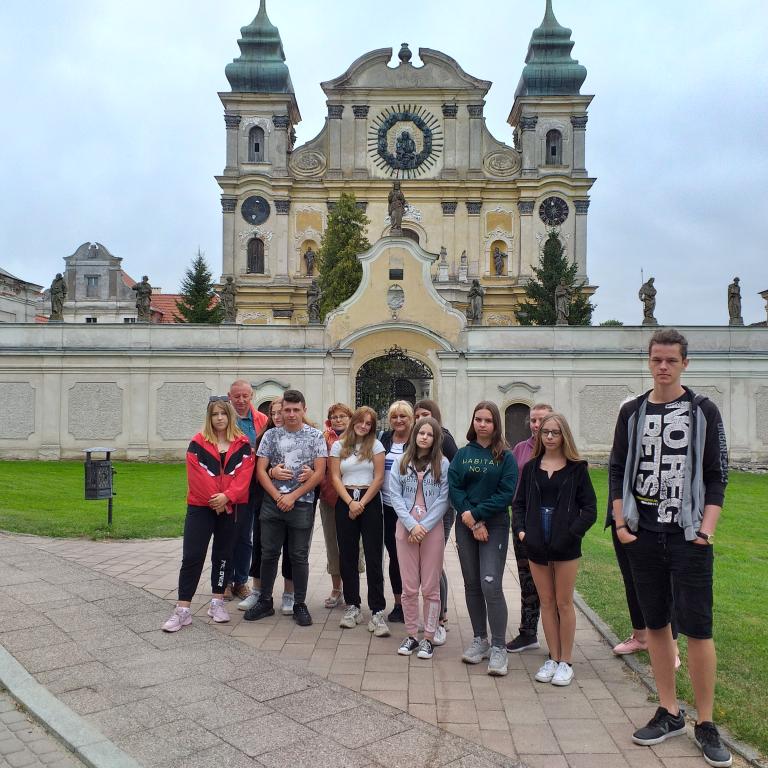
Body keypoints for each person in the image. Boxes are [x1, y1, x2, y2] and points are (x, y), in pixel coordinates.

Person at [610, 328, 730, 768]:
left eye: (671, 360)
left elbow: (718, 475)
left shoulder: (702, 410)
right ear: (649, 361)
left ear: (684, 363)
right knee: (657, 624)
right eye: (656, 359)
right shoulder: (633, 412)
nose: (663, 367)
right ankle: (669, 710)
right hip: (644, 535)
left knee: (698, 629)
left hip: (688, 536)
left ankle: (705, 721)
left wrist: (705, 531)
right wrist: (622, 525)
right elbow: (618, 468)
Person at [512, 412, 597, 687]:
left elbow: (590, 509)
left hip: (565, 543)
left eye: (554, 432)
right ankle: (553, 656)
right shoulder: (532, 467)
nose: (549, 436)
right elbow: (520, 504)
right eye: (545, 432)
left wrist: (572, 533)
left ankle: (566, 661)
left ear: (564, 436)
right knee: (546, 602)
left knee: (563, 602)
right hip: (536, 541)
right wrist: (523, 532)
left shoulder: (577, 468)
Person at [162, 397, 254, 632]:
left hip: (231, 507)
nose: (220, 418)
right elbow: (197, 477)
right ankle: (183, 609)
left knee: (223, 556)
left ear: (230, 416)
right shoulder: (198, 443)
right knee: (192, 556)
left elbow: (244, 476)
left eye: (223, 413)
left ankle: (217, 602)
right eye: (215, 414)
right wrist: (217, 499)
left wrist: (228, 497)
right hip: (202, 507)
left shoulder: (243, 444)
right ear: (209, 418)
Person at [244, 389, 327, 626]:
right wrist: (277, 495)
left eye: (295, 410)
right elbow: (261, 470)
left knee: (298, 556)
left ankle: (299, 603)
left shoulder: (315, 436)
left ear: (304, 410)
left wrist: (293, 496)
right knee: (269, 553)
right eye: (286, 410)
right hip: (272, 504)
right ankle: (265, 601)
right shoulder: (271, 436)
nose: (291, 414)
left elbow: (320, 472)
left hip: (301, 504)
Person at [449, 401, 518, 676]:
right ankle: (481, 639)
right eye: (478, 419)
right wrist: (468, 516)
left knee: (490, 582)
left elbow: (506, 493)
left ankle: (499, 647)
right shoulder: (463, 454)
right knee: (472, 583)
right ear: (473, 422)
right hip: (465, 524)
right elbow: (454, 486)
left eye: (488, 420)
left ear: (495, 424)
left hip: (495, 525)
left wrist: (476, 515)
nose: (482, 424)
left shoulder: (505, 456)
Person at [390, 416, 450, 660]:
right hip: (406, 528)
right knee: (409, 586)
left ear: (435, 439)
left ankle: (429, 636)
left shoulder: (442, 464)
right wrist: (411, 525)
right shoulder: (402, 462)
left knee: (431, 586)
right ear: (415, 435)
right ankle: (412, 634)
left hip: (431, 529)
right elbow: (394, 494)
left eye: (429, 434)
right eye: (421, 433)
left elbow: (444, 498)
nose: (424, 437)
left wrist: (423, 526)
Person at [331, 407, 389, 637]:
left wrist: (361, 503)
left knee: (374, 557)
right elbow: (335, 476)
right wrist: (349, 502)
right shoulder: (339, 446)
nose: (364, 426)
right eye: (361, 421)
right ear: (353, 421)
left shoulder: (376, 445)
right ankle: (352, 606)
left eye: (369, 423)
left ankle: (377, 610)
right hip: (345, 499)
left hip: (370, 500)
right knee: (347, 555)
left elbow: (379, 477)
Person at [236, 396, 295, 614]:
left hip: (295, 500)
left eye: (282, 411)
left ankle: (289, 594)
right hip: (265, 500)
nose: (279, 416)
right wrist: (271, 472)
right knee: (262, 546)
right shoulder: (264, 437)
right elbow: (255, 469)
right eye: (274, 413)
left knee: (292, 548)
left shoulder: (304, 433)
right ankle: (258, 591)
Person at [506, 402, 553, 654]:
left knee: (552, 579)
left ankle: (556, 638)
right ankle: (528, 633)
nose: (536, 425)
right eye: (533, 420)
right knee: (527, 578)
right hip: (522, 519)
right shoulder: (520, 449)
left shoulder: (560, 449)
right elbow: (514, 484)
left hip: (551, 522)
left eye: (542, 420)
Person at [413, 399, 458, 644]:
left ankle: (439, 619)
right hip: (418, 512)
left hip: (441, 511)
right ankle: (435, 615)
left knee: (434, 563)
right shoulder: (417, 439)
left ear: (436, 415)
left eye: (426, 414)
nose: (421, 418)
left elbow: (456, 470)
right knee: (424, 565)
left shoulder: (445, 438)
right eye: (417, 414)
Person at [227, 380, 268, 601]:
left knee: (246, 537)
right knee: (226, 534)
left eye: (245, 396)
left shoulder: (262, 421)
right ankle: (223, 581)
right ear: (229, 396)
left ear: (251, 395)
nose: (241, 400)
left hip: (254, 486)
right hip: (229, 486)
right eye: (237, 396)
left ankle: (240, 581)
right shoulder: (222, 419)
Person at [379, 401, 415, 623]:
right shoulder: (384, 439)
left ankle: (415, 602)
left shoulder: (418, 440)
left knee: (413, 558)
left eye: (403, 416)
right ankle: (399, 603)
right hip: (387, 506)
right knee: (394, 556)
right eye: (395, 417)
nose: (399, 420)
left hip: (411, 509)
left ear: (411, 418)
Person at [318, 403, 354, 608]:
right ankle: (336, 588)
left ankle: (351, 589)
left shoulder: (358, 437)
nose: (338, 420)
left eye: (342, 416)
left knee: (352, 546)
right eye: (334, 417)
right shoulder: (323, 438)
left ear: (350, 418)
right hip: (329, 498)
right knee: (332, 544)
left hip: (352, 499)